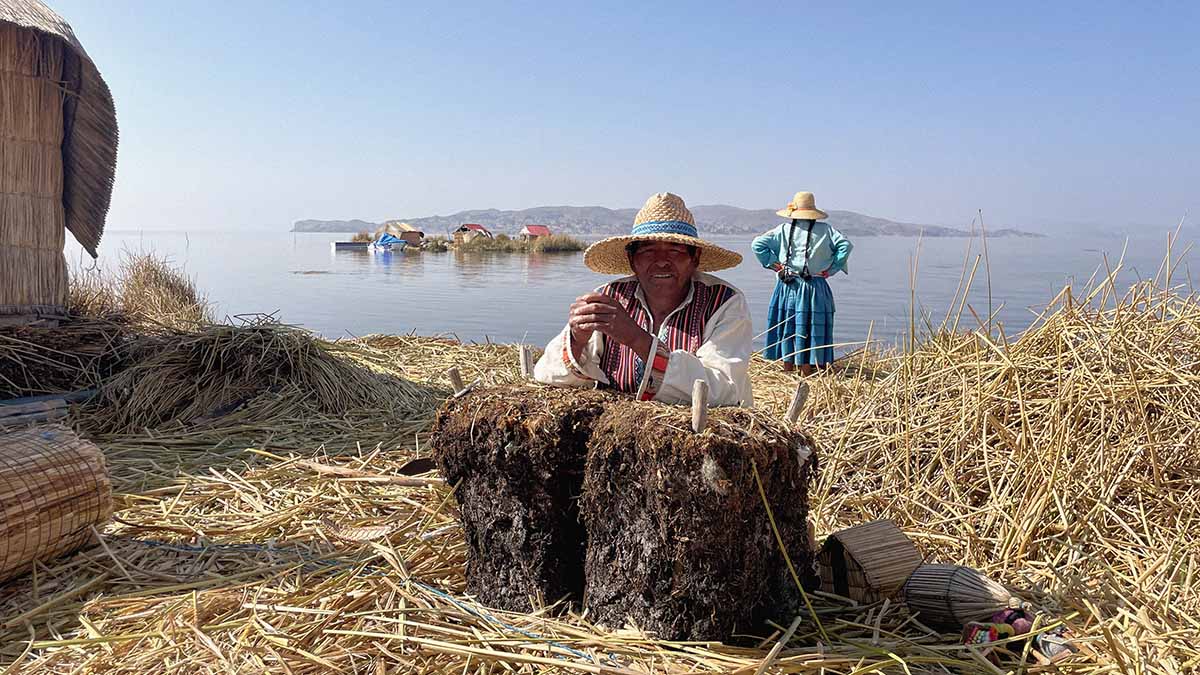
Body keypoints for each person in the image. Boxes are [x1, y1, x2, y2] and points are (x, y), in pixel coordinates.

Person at [534, 192, 753, 406]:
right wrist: (577, 339)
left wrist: (637, 340)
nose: (661, 262)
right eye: (648, 251)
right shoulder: (610, 298)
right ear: (632, 260)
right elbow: (546, 374)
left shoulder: (724, 303)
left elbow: (722, 389)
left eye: (675, 251)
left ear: (695, 258)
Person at [751, 191, 853, 376]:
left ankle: (788, 370)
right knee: (813, 326)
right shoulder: (827, 230)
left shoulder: (782, 230)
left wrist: (777, 267)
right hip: (816, 286)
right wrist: (831, 269)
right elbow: (845, 246)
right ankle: (809, 370)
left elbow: (757, 245)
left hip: (788, 286)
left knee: (789, 325)